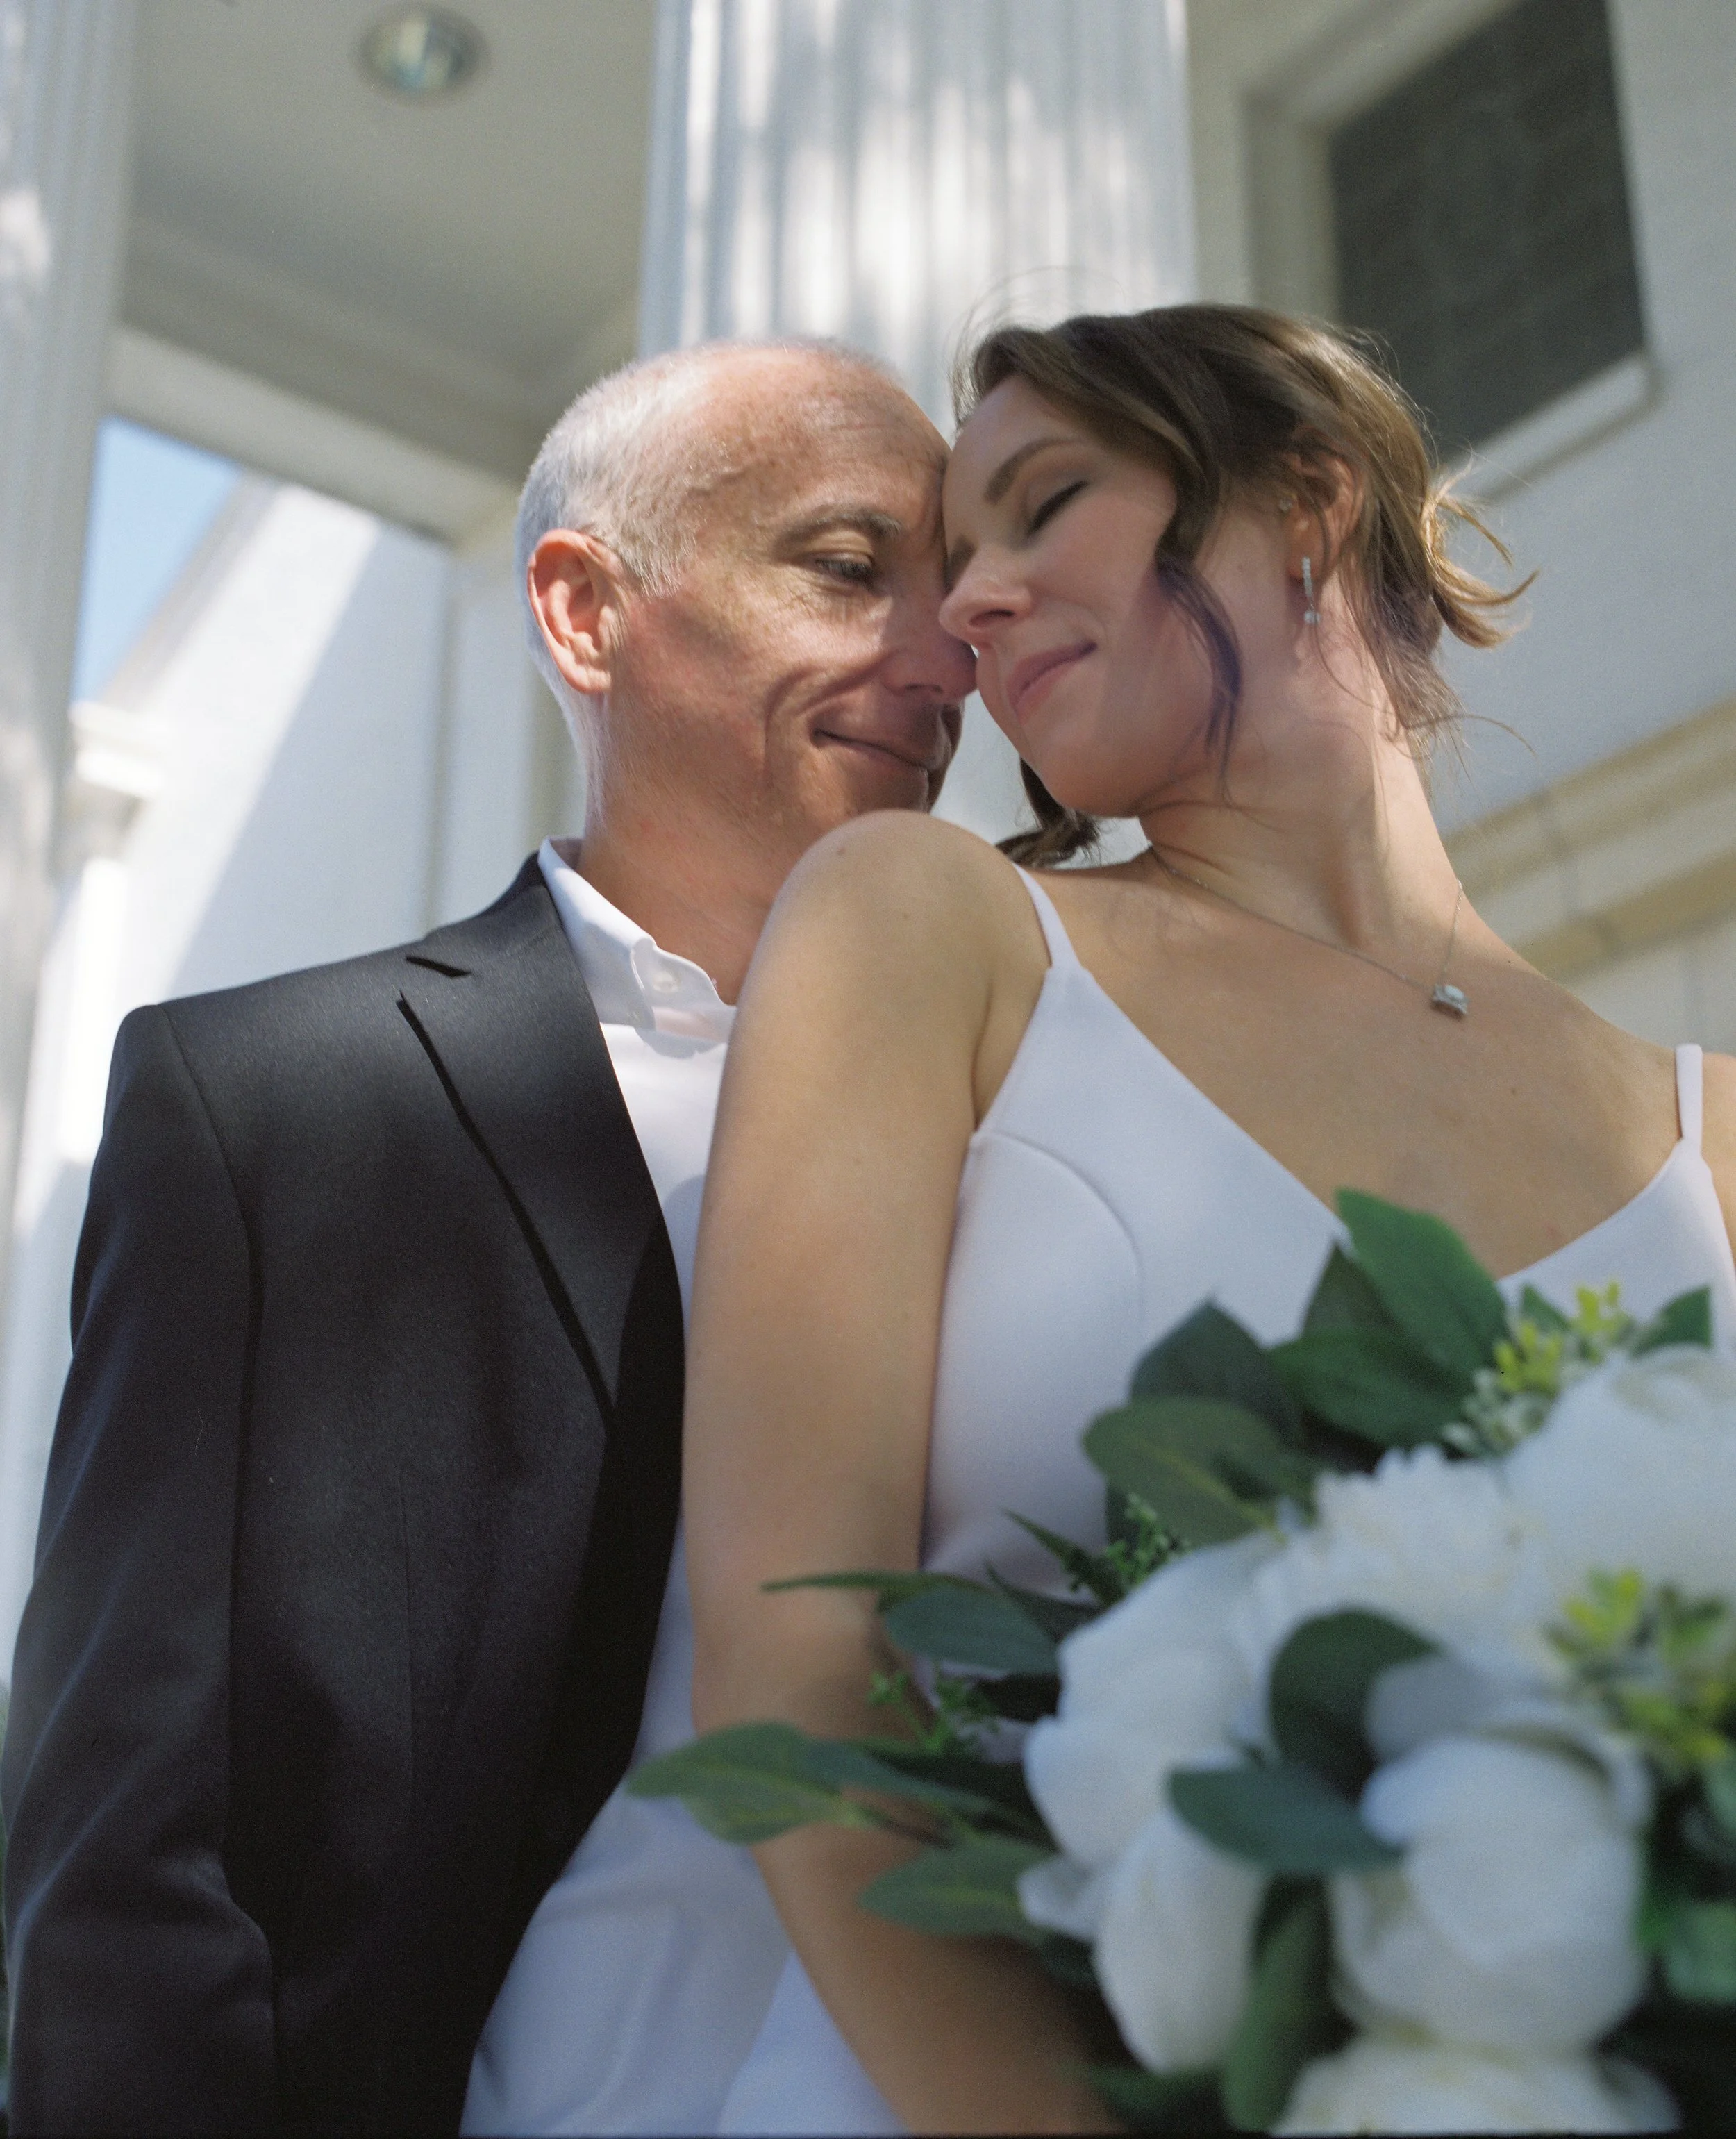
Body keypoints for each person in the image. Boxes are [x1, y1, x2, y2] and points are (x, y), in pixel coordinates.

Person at [679, 303, 1736, 2135]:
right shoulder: (926, 932)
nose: (967, 613)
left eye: (1041, 504)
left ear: (1308, 505)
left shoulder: (1707, 1134)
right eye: (952, 563)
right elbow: (787, 1664)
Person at [1, 338, 972, 2135]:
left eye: (956, 589)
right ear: (585, 611)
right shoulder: (274, 1102)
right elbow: (139, 1820)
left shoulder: (1050, 1103)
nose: (941, 658)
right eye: (849, 570)